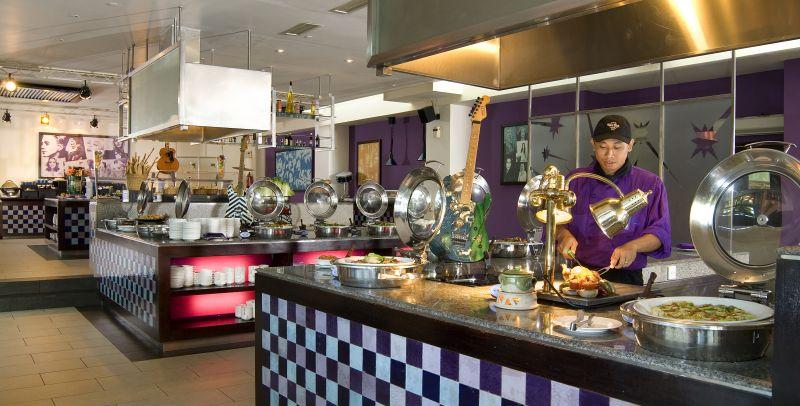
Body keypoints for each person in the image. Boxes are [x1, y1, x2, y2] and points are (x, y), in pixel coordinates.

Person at [556, 115, 671, 285]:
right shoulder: (576, 180)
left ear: (630, 145)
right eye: (602, 147)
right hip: (579, 274)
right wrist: (563, 234)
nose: (609, 154)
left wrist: (634, 246)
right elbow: (555, 221)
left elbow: (659, 233)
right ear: (593, 144)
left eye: (617, 147)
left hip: (626, 278)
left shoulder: (650, 183)